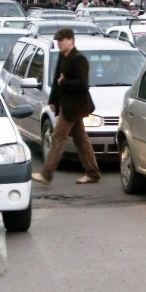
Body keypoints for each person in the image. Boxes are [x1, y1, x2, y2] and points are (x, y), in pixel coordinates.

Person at [32, 29, 101, 185]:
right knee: (81, 140)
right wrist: (53, 99)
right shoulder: (62, 56)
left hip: (74, 107)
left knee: (58, 137)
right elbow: (57, 79)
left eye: (61, 40)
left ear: (71, 41)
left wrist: (64, 83)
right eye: (58, 41)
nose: (59, 43)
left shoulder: (79, 59)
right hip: (65, 104)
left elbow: (83, 83)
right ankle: (93, 172)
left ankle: (46, 174)